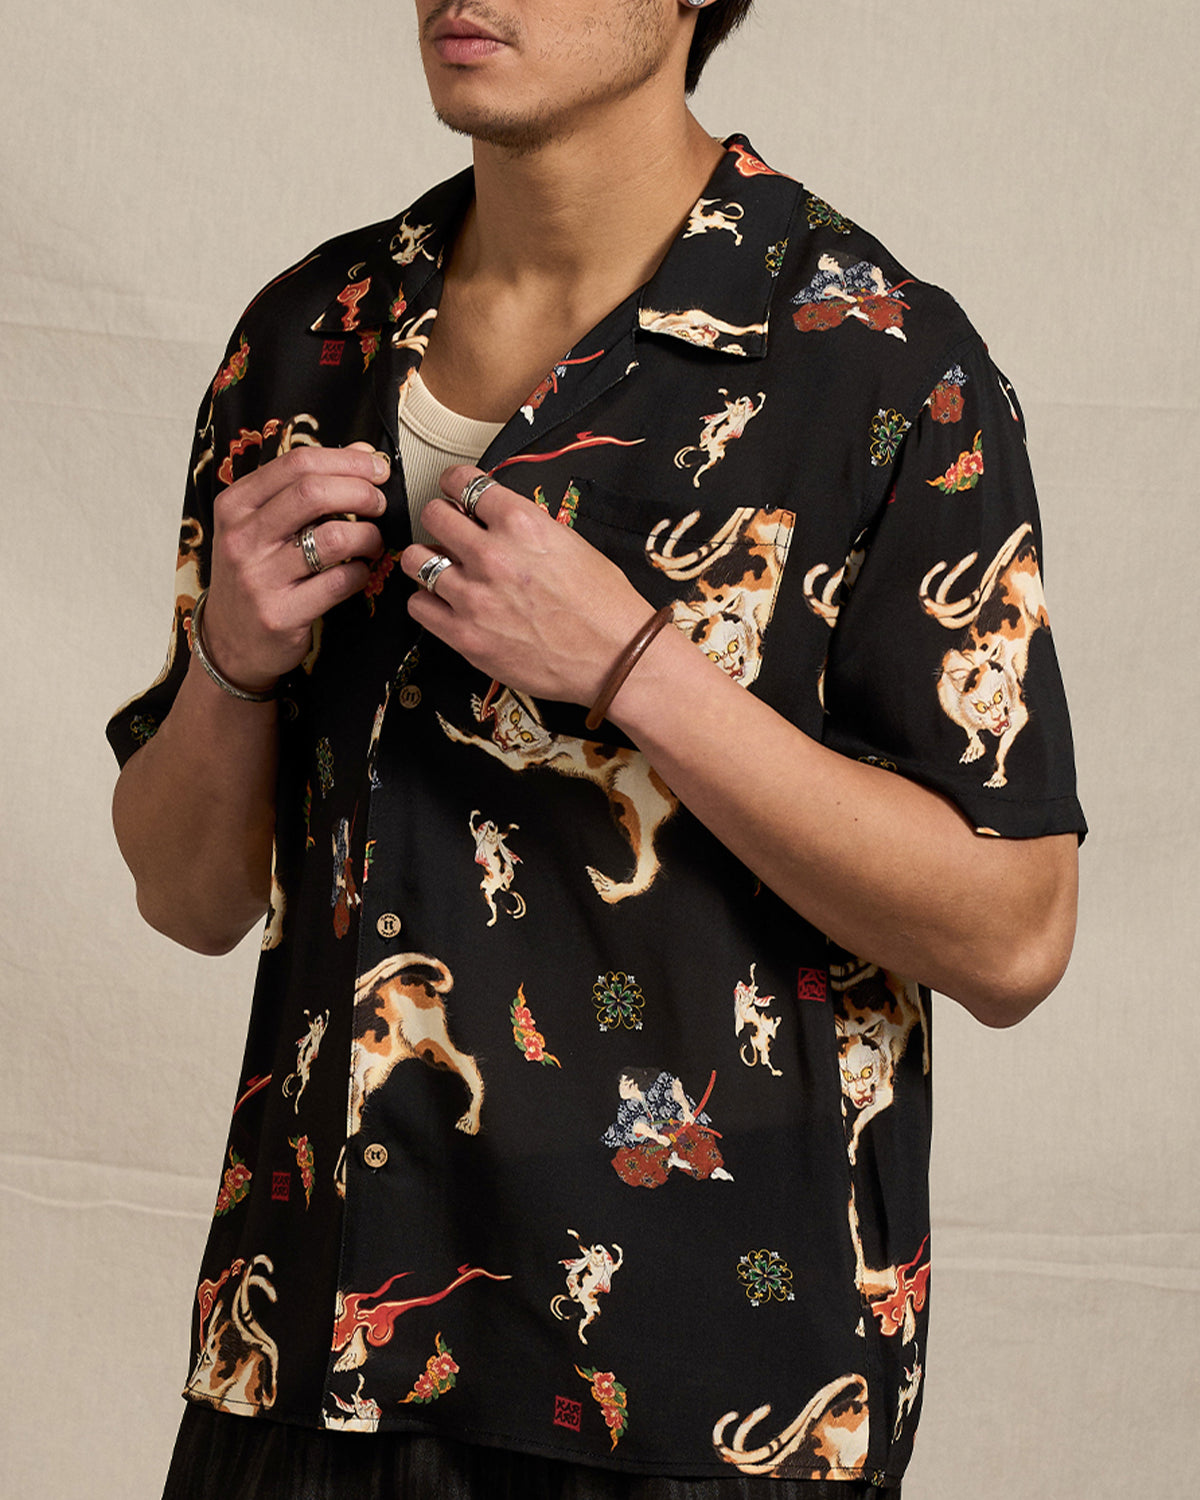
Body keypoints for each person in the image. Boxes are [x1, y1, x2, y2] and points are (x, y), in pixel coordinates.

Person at [107, 2, 1085, 1496]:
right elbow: (188, 896)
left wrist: (636, 669)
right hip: (309, 1350)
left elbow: (1013, 935)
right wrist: (235, 663)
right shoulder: (309, 337)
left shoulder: (881, 366)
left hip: (700, 1392)